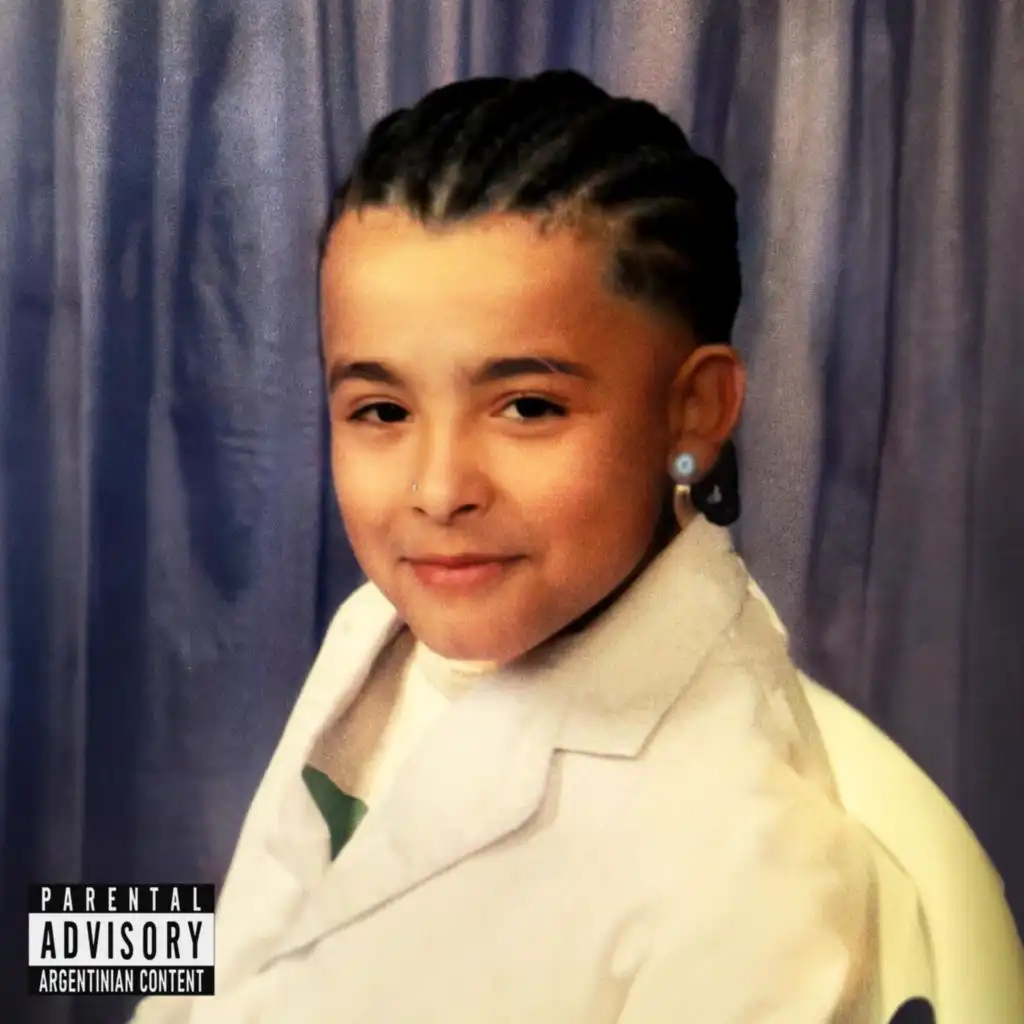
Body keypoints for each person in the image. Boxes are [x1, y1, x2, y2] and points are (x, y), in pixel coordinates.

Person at [132, 70, 887, 1022]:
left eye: (527, 407)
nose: (438, 491)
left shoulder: (747, 875)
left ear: (694, 411)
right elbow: (251, 941)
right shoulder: (385, 626)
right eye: (382, 410)